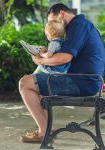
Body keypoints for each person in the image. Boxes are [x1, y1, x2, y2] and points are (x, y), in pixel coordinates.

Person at [19, 3, 105, 143]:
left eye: (53, 21)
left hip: (83, 82)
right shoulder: (77, 26)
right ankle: (47, 130)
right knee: (39, 85)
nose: (53, 26)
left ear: (62, 14)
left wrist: (40, 61)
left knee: (25, 83)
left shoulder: (78, 26)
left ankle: (43, 133)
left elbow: (64, 58)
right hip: (83, 79)